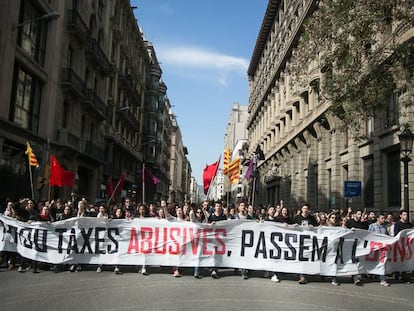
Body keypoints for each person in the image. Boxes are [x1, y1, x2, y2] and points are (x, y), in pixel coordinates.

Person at [292, 203, 318, 284]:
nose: (305, 210)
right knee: (300, 257)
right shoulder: (297, 217)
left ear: (309, 210)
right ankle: (302, 276)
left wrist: (313, 227)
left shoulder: (312, 218)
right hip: (299, 241)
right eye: (304, 208)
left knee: (307, 257)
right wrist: (294, 225)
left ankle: (305, 274)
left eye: (307, 208)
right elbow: (290, 227)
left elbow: (318, 228)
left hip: (309, 241)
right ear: (301, 209)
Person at [346, 209, 368, 285]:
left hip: (359, 245)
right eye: (358, 214)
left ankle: (355, 276)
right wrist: (350, 230)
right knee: (351, 260)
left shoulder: (363, 223)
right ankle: (354, 275)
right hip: (350, 244)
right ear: (355, 214)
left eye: (361, 214)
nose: (360, 216)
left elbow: (367, 233)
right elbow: (344, 231)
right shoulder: (350, 222)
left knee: (357, 260)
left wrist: (365, 221)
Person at [368, 213, 390, 286]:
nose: (383, 220)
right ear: (378, 219)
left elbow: (387, 236)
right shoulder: (372, 226)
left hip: (383, 248)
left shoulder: (384, 227)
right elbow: (368, 236)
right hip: (375, 248)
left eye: (384, 218)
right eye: (382, 218)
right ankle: (373, 274)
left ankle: (382, 279)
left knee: (382, 263)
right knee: (374, 262)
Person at [208, 201, 227, 279]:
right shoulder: (211, 216)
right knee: (213, 254)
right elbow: (207, 226)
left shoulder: (223, 216)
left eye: (219, 206)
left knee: (219, 254)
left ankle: (216, 268)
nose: (218, 207)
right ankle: (213, 269)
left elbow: (226, 226)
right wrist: (210, 224)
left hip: (221, 239)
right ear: (214, 207)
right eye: (217, 206)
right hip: (212, 238)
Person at [393, 210, 413, 283]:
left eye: (407, 215)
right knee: (398, 259)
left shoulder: (409, 225)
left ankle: (404, 275)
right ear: (401, 216)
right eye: (404, 215)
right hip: (399, 245)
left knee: (405, 260)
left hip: (407, 246)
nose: (406, 216)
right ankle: (397, 274)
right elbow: (396, 234)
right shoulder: (397, 224)